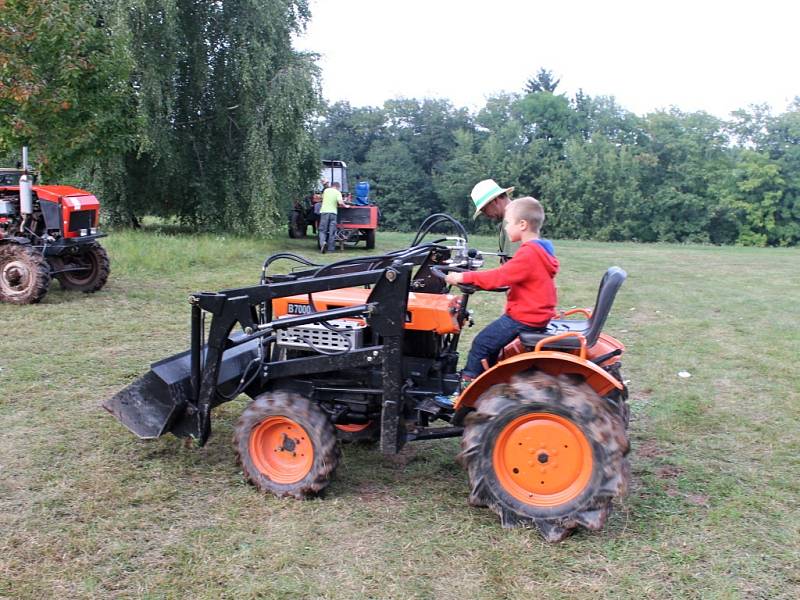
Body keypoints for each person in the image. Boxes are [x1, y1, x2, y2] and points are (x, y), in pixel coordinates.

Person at [445, 197, 559, 382]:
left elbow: (499, 277)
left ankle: (463, 391)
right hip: (534, 315)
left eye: (508, 223)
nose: (505, 228)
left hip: (524, 317)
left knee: (481, 344)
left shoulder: (529, 254)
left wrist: (462, 277)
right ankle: (485, 381)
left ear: (522, 224)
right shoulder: (541, 251)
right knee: (492, 345)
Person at [469, 178, 518, 259]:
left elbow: (515, 266)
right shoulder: (513, 216)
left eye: (484, 209)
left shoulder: (513, 220)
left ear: (495, 200)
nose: (485, 215)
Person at [318, 181, 345, 253]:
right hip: (333, 213)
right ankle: (331, 249)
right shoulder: (337, 192)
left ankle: (322, 243)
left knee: (322, 230)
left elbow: (322, 198)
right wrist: (345, 205)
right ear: (337, 187)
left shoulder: (326, 191)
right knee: (332, 231)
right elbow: (340, 202)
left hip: (324, 212)